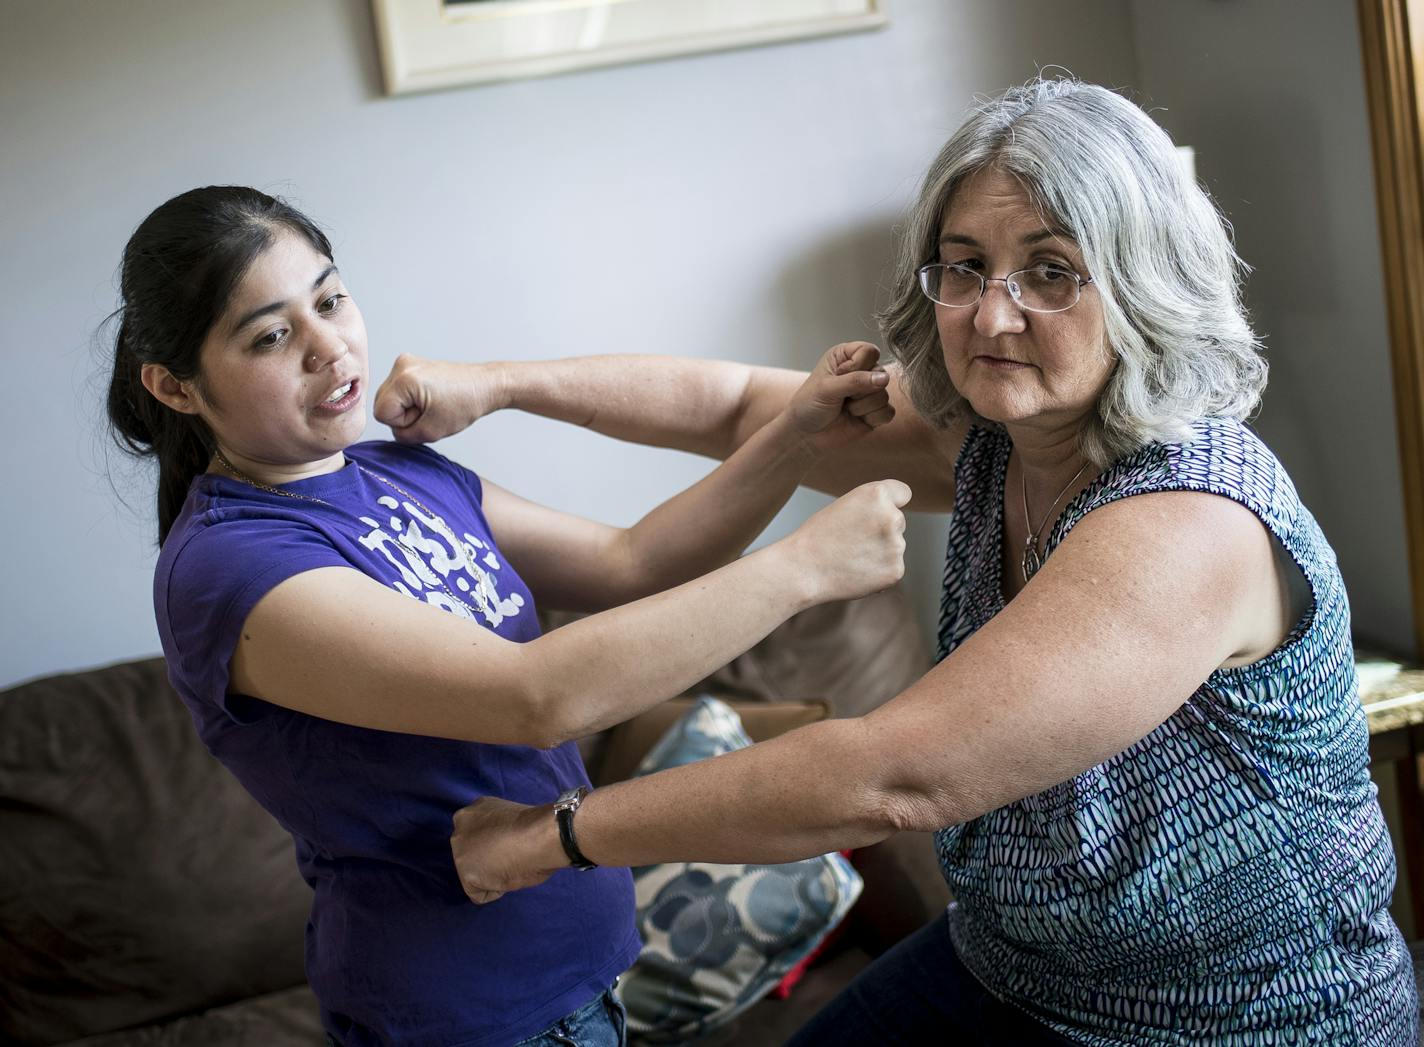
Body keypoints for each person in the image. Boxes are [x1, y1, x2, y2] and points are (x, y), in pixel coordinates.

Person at [400, 78, 1421, 1043]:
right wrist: (491, 385)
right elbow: (735, 407)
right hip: (1013, 967)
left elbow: (891, 778)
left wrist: (556, 834)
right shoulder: (991, 438)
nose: (991, 312)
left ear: (1143, 282)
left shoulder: (1187, 520)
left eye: (1050, 271)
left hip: (1232, 1019)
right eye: (965, 264)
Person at [103, 185, 912, 1047]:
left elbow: (629, 561)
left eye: (331, 299)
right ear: (174, 386)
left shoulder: (398, 473)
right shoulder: (228, 566)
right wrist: (803, 569)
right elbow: (532, 697)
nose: (328, 345)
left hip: (581, 970)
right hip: (468, 1013)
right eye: (271, 335)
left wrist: (794, 437)